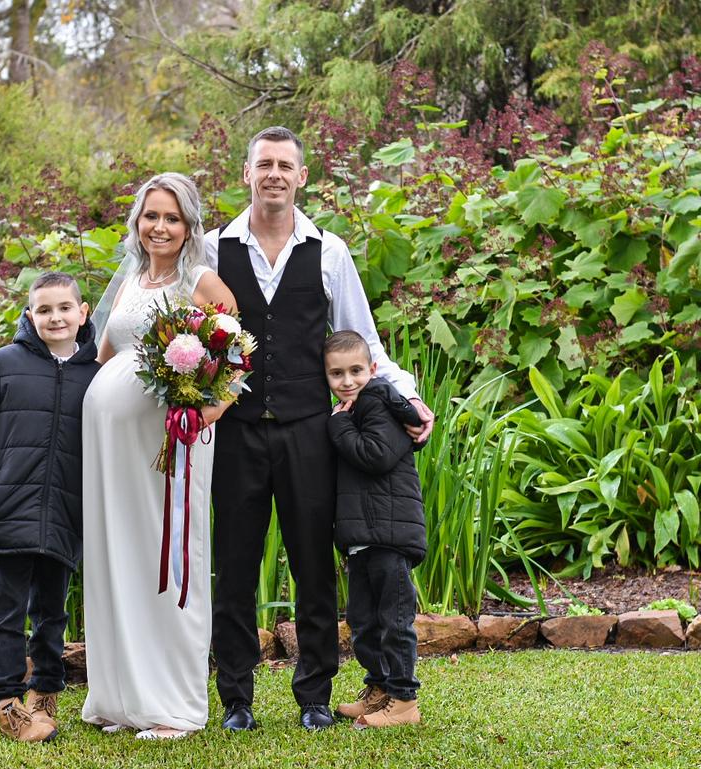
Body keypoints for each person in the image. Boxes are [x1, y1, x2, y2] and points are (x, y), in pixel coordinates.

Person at [204, 125, 434, 732]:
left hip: (310, 431)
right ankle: (237, 700)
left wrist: (407, 396)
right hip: (234, 431)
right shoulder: (211, 249)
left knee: (312, 566)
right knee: (234, 566)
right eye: (264, 164)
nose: (275, 174)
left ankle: (314, 697)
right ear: (246, 174)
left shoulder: (329, 251)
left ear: (302, 177)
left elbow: (367, 345)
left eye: (286, 165)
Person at [81, 172, 237, 740]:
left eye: (172, 217)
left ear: (189, 225)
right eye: (152, 216)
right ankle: (122, 699)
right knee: (117, 558)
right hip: (111, 451)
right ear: (137, 222)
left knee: (166, 562)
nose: (160, 227)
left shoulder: (200, 280)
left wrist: (203, 414)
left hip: (169, 447)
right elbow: (104, 356)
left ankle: (172, 705)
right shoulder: (130, 278)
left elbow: (235, 357)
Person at [0, 272, 100, 743]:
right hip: (5, 512)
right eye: (44, 309)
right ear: (29, 315)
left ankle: (46, 692)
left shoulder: (96, 375)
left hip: (65, 516)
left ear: (83, 312)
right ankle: (8, 704)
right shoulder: (2, 364)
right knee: (7, 615)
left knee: (52, 612)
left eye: (64, 308)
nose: (55, 317)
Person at [323, 330, 425, 729]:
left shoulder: (377, 402)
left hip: (389, 535)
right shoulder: (355, 407)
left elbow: (376, 455)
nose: (347, 381)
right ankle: (379, 688)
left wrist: (338, 428)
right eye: (336, 374)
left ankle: (404, 702)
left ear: (373, 369)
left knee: (394, 622)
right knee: (364, 620)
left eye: (355, 370)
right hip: (364, 537)